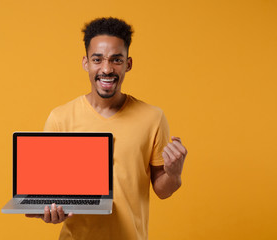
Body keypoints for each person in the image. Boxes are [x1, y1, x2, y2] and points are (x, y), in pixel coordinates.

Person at [26, 17, 187, 240]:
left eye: (116, 60)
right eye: (97, 59)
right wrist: (50, 212)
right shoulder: (60, 118)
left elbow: (163, 190)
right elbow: (48, 195)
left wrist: (174, 174)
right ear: (86, 63)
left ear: (128, 64)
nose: (106, 68)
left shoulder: (153, 117)